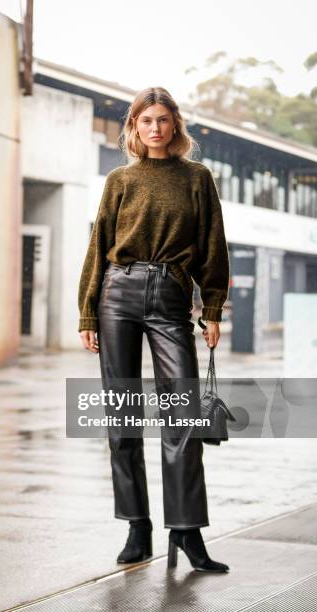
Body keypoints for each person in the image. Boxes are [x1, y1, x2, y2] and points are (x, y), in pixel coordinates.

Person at [78, 87, 230, 572]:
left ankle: (186, 531)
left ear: (175, 126)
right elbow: (99, 243)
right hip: (117, 295)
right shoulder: (120, 179)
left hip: (170, 296)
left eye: (163, 120)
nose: (155, 128)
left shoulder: (196, 179)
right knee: (122, 416)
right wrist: (87, 312)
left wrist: (212, 309)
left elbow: (212, 246)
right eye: (146, 121)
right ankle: (136, 525)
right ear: (135, 128)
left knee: (181, 413)